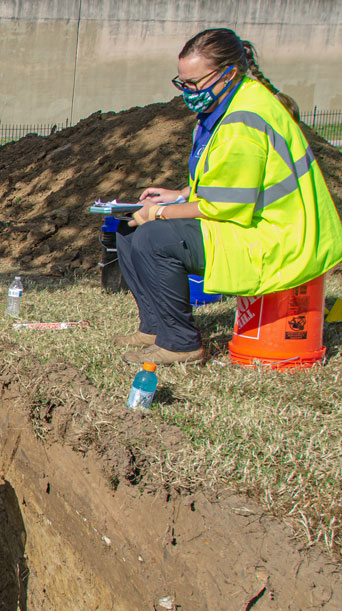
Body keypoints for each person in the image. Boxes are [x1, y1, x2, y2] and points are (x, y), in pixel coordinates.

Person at [116, 28, 342, 365]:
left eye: (194, 83)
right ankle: (155, 327)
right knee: (127, 229)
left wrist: (160, 212)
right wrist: (179, 195)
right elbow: (233, 184)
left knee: (152, 236)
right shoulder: (231, 103)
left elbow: (227, 204)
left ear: (229, 73)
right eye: (182, 83)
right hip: (255, 223)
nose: (187, 93)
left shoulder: (243, 119)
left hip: (277, 238)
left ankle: (181, 345)